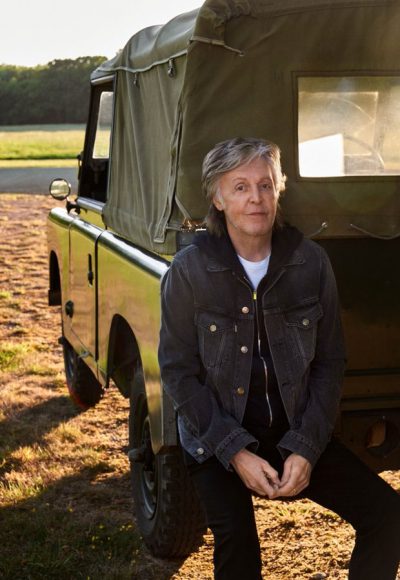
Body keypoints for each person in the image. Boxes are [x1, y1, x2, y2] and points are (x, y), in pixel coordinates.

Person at [158, 137, 400, 579]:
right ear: (217, 197)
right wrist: (235, 453)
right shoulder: (189, 271)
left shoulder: (310, 262)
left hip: (295, 430)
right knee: (240, 548)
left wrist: (306, 448)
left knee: (387, 515)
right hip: (216, 438)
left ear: (278, 191)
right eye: (241, 187)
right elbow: (178, 373)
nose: (256, 198)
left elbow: (330, 363)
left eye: (266, 185)